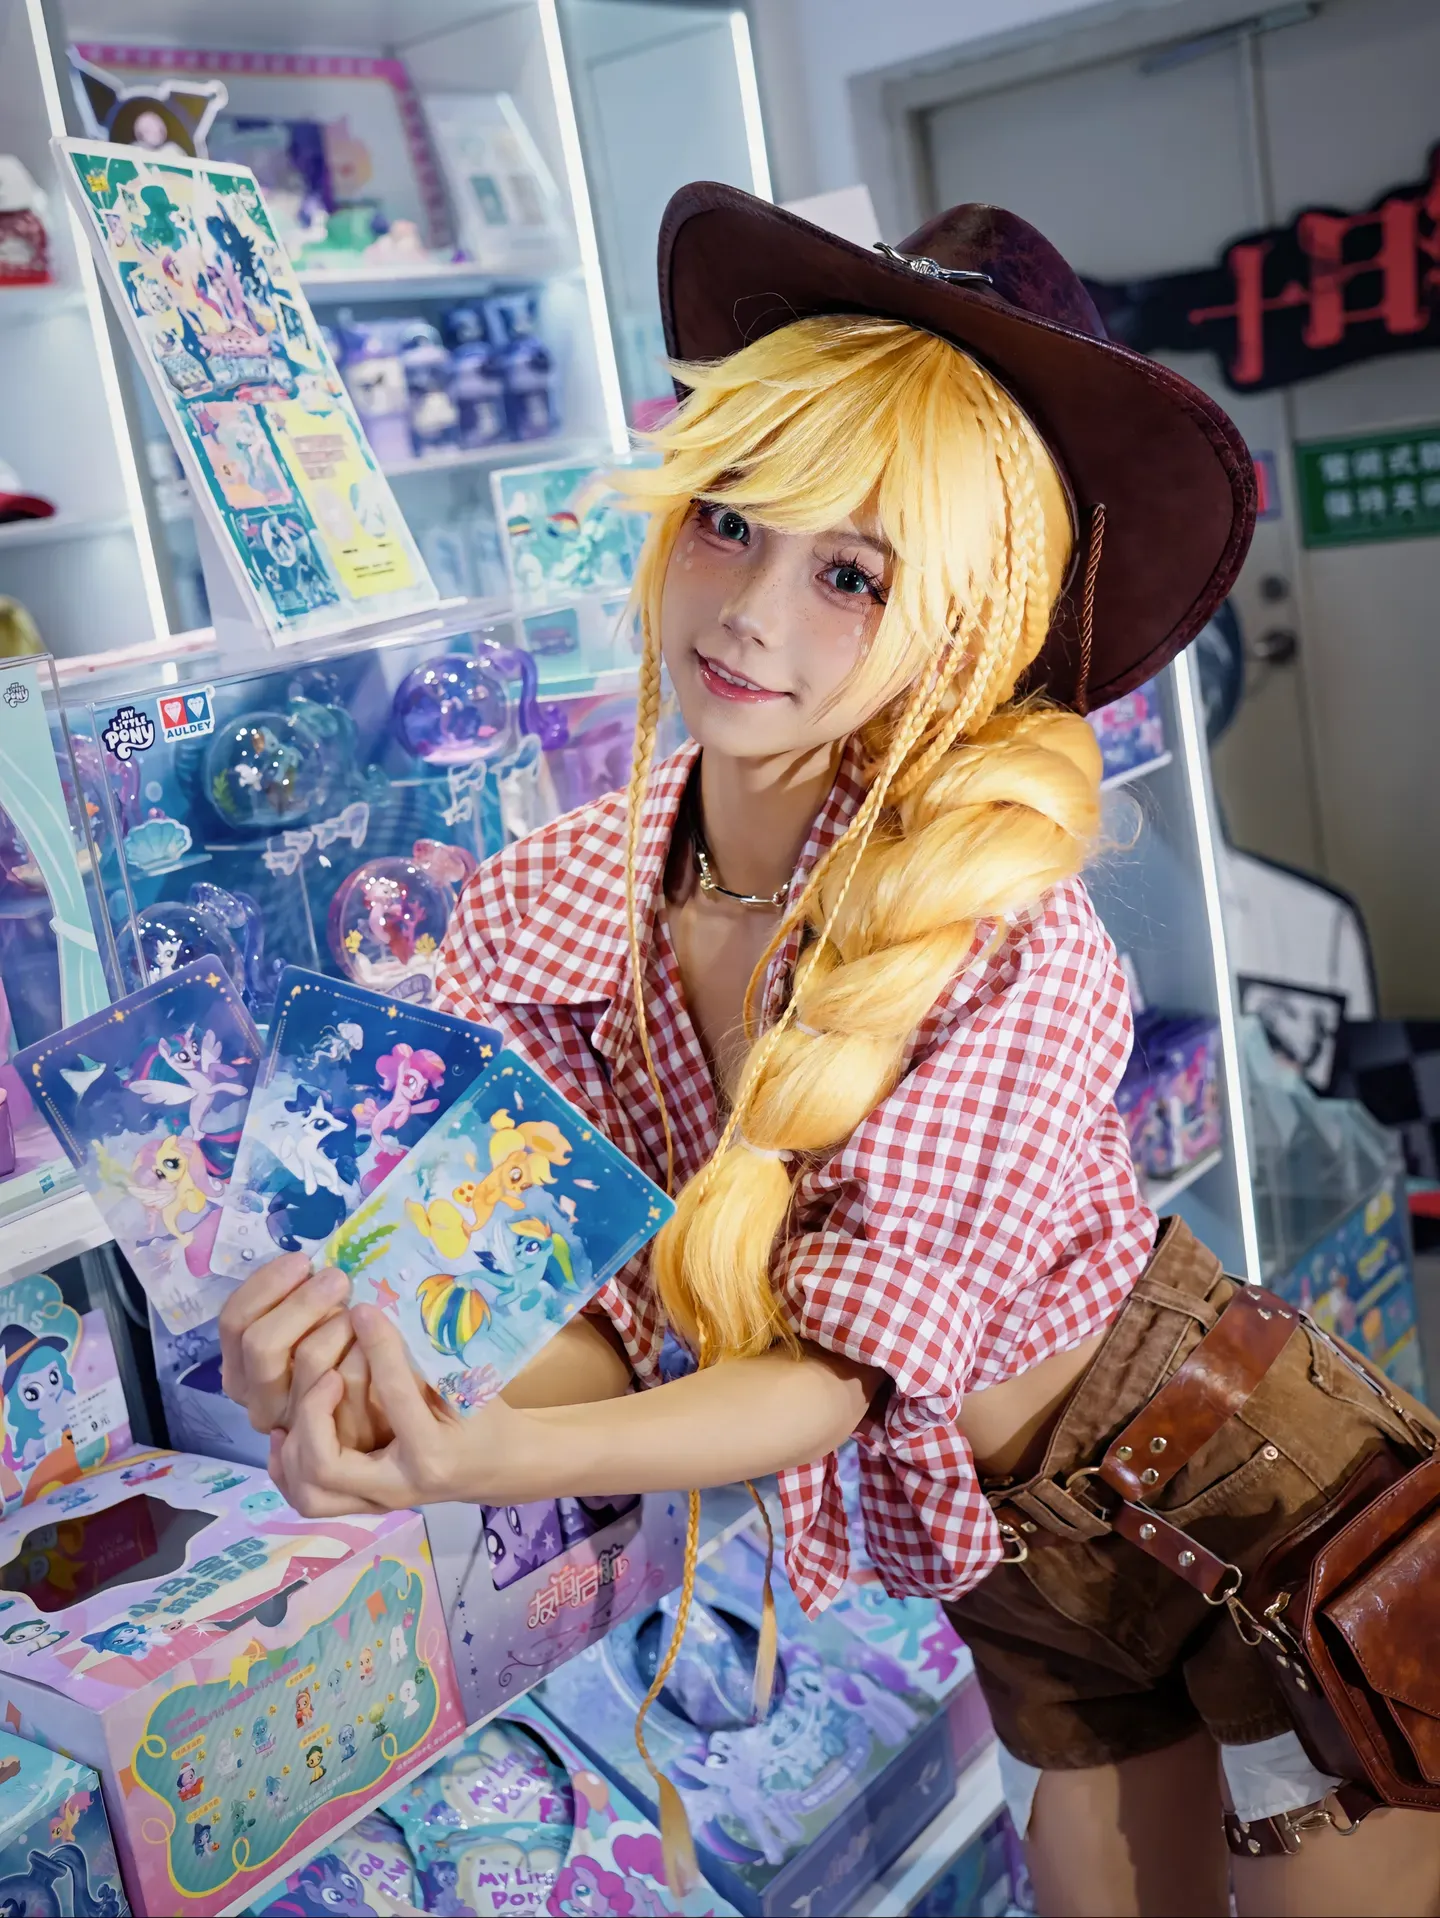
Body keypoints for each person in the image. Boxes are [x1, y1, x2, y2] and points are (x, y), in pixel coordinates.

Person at [219, 184, 1440, 1917]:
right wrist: (382, 1368)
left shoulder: (1009, 933)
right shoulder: (543, 907)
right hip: (1013, 1562)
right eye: (731, 519)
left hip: (1252, 1502)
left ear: (968, 618)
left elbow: (839, 1379)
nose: (751, 613)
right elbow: (592, 1317)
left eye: (853, 573)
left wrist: (476, 1453)